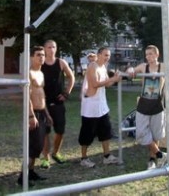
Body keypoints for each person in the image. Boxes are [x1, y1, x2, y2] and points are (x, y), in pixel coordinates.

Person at [129, 45, 169, 170]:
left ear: (157, 54)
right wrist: (130, 70)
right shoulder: (143, 66)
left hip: (157, 105)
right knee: (141, 133)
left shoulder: (164, 66)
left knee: (155, 135)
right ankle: (161, 154)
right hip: (143, 105)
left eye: (151, 54)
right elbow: (132, 70)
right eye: (146, 54)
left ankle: (152, 160)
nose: (148, 57)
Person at [78, 47, 122, 168]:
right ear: (98, 55)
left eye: (108, 55)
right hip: (90, 106)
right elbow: (95, 84)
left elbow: (106, 84)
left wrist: (116, 79)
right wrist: (113, 78)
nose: (107, 57)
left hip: (102, 106)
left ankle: (107, 156)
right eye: (105, 55)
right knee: (87, 133)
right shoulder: (93, 66)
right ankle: (83, 158)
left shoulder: (104, 67)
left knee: (106, 131)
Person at [18, 46, 52, 187]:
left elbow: (41, 95)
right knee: (32, 146)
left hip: (42, 112)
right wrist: (31, 116)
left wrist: (47, 114)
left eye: (43, 55)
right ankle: (22, 177)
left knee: (38, 146)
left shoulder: (41, 73)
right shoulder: (29, 73)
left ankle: (31, 172)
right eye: (38, 55)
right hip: (33, 114)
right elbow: (26, 97)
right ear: (32, 57)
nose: (41, 57)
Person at [40, 40, 75, 168]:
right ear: (44, 49)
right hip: (44, 103)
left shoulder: (61, 62)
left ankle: (56, 153)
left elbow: (72, 77)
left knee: (60, 130)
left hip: (58, 102)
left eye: (53, 47)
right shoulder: (40, 63)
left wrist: (66, 93)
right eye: (49, 47)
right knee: (45, 132)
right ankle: (46, 158)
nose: (51, 49)